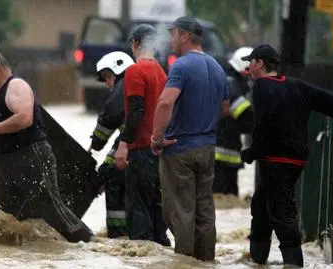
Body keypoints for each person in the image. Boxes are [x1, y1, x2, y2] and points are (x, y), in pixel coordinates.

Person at [0, 51, 92, 243]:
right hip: (5, 168)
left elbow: (25, 118)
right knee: (0, 218)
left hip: (30, 157)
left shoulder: (16, 85)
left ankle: (91, 246)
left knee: (51, 208)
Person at [239, 44, 333, 267]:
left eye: (251, 62)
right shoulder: (297, 85)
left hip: (276, 159)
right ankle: (257, 260)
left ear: (260, 63)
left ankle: (294, 264)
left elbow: (265, 126)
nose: (249, 67)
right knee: (262, 205)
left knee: (282, 212)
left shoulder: (262, 86)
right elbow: (331, 103)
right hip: (295, 159)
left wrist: (251, 152)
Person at [150, 16, 229, 261]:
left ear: (184, 36)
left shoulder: (181, 66)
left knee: (181, 211)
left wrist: (156, 138)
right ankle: (206, 261)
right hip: (207, 148)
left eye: (173, 33)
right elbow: (224, 107)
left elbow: (165, 102)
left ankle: (184, 262)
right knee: (205, 209)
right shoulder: (217, 67)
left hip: (179, 149)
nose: (171, 39)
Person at [114, 24, 170, 246]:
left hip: (140, 151)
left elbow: (136, 111)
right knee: (157, 209)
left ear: (135, 43)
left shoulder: (134, 71)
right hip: (158, 150)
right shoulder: (161, 71)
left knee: (138, 210)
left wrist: (123, 144)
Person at [89, 51, 134, 238]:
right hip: (143, 150)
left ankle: (119, 237)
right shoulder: (136, 85)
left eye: (108, 77)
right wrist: (105, 168)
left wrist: (95, 144)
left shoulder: (123, 87)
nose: (108, 83)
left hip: (135, 152)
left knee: (116, 183)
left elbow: (108, 119)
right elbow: (123, 138)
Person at [213, 47, 254, 196]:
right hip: (222, 153)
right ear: (245, 69)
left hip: (226, 151)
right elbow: (245, 115)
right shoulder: (232, 85)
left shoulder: (231, 81)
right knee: (223, 196)